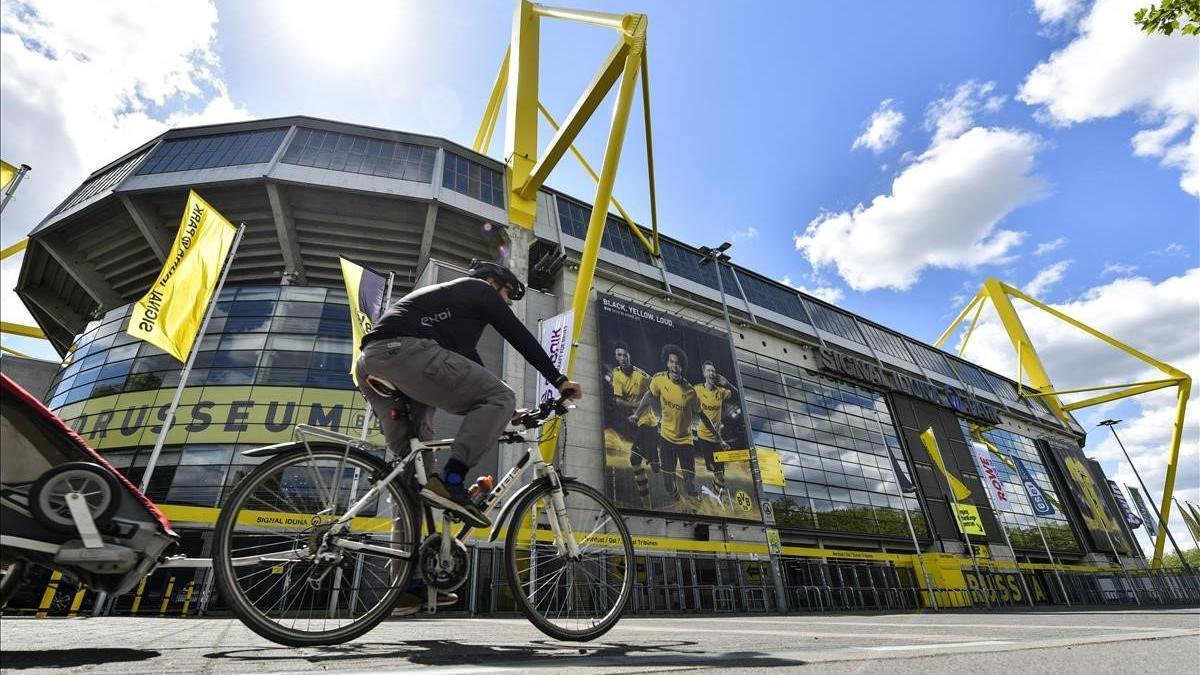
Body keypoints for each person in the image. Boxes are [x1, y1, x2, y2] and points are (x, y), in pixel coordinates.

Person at [356, 259, 582, 529]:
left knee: (415, 482)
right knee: (502, 395)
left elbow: (475, 373)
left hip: (373, 362)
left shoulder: (453, 318)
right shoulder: (478, 288)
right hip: (404, 351)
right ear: (492, 282)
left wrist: (508, 414)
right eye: (508, 293)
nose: (508, 303)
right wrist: (558, 380)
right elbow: (518, 334)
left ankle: (409, 570)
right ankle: (453, 480)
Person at [630, 344, 721, 500]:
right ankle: (678, 503)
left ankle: (694, 501)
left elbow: (703, 416)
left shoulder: (690, 392)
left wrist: (717, 436)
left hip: (685, 442)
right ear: (667, 363)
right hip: (666, 439)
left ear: (682, 367)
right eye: (671, 362)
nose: (674, 366)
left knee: (689, 484)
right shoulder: (658, 379)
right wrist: (637, 414)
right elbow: (648, 396)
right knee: (668, 484)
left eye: (678, 363)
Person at [606, 341, 658, 503]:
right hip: (634, 422)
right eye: (619, 355)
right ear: (616, 357)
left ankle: (656, 458)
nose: (623, 358)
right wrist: (634, 406)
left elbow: (651, 398)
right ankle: (656, 457)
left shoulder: (642, 376)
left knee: (635, 459)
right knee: (638, 460)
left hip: (647, 421)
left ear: (630, 355)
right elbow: (618, 400)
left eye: (625, 354)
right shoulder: (616, 374)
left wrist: (637, 411)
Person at [693, 361, 733, 496]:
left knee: (721, 475)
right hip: (704, 437)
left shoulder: (721, 392)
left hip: (718, 440)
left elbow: (740, 396)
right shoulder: (697, 389)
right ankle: (714, 492)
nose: (711, 373)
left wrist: (727, 384)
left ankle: (717, 497)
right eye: (709, 371)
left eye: (713, 371)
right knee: (714, 470)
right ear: (704, 373)